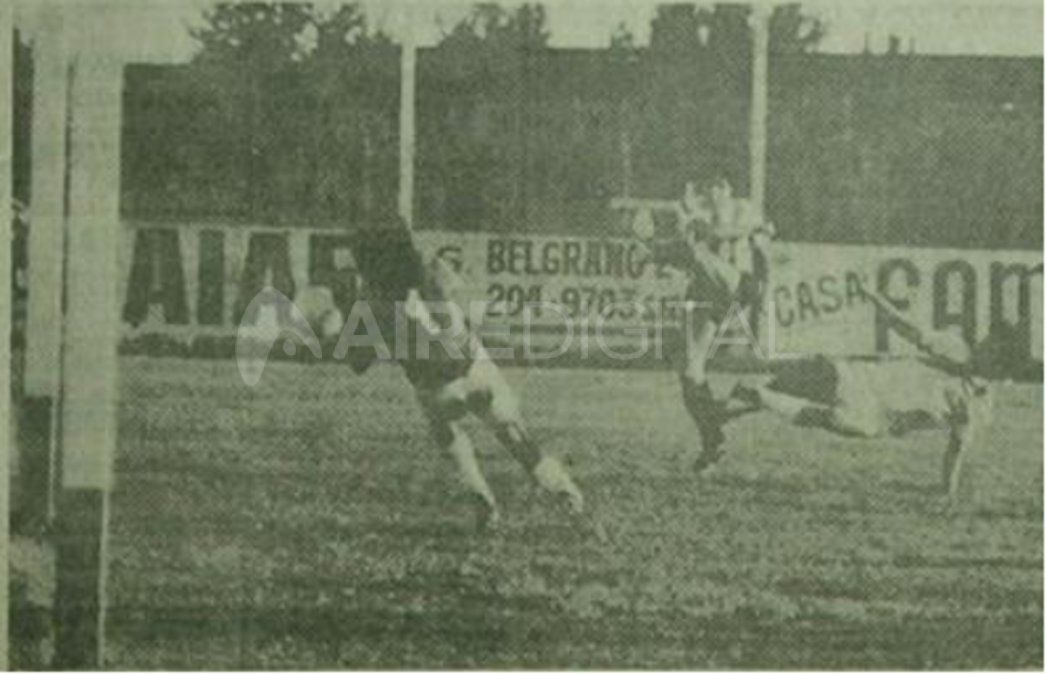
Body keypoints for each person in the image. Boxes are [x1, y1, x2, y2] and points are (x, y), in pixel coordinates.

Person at [307, 220, 587, 533]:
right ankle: (565, 490)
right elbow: (455, 309)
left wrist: (343, 318)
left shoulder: (371, 306)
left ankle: (480, 495)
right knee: (516, 440)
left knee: (447, 434)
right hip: (473, 370)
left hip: (435, 390)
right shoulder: (431, 275)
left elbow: (358, 363)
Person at [729, 311, 993, 501]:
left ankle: (756, 396)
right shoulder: (956, 352)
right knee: (821, 396)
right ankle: (756, 395)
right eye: (985, 348)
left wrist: (948, 489)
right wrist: (880, 303)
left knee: (825, 414)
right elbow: (908, 328)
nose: (982, 354)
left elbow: (957, 447)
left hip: (876, 415)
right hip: (870, 390)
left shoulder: (978, 403)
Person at [632, 178, 773, 472]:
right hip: (708, 291)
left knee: (695, 245)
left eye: (720, 185)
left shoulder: (742, 209)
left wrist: (672, 237)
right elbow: (693, 252)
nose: (715, 192)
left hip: (736, 284)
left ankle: (729, 410)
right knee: (689, 370)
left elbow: (743, 237)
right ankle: (713, 440)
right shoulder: (699, 215)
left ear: (730, 188)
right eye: (710, 187)